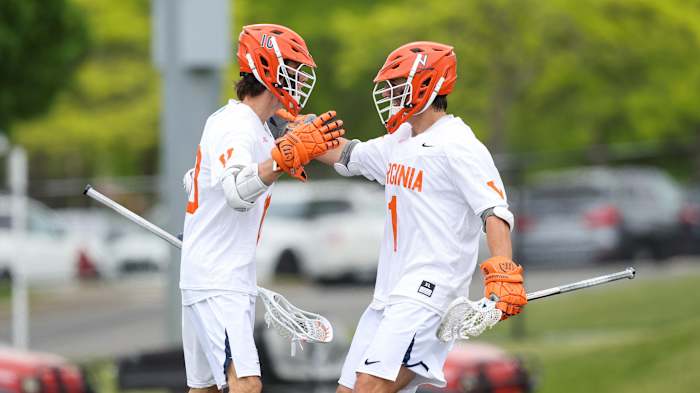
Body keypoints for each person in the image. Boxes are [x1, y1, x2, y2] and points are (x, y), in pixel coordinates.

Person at [319, 41, 527, 393]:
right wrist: (287, 130)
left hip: (430, 289)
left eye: (399, 86)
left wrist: (503, 272)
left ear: (429, 85)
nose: (390, 94)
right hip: (390, 291)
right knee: (350, 390)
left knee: (370, 387)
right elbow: (348, 155)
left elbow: (494, 210)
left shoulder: (457, 143)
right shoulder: (399, 140)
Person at [179, 24, 344, 393]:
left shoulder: (258, 129)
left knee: (204, 389)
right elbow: (238, 192)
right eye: (293, 68)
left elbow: (199, 181)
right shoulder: (236, 123)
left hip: (213, 274)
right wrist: (282, 161)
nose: (300, 79)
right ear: (267, 66)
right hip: (219, 279)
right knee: (247, 383)